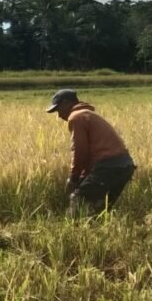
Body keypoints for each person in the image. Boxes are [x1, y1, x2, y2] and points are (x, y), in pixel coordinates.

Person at [47, 89, 136, 217]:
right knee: (98, 211)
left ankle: (72, 231)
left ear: (66, 103)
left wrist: (73, 179)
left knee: (78, 199)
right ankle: (97, 232)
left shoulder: (76, 117)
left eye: (58, 109)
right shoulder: (87, 114)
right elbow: (91, 155)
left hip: (109, 168)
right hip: (124, 167)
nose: (59, 115)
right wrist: (82, 178)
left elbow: (80, 152)